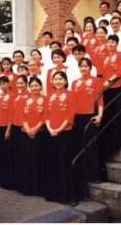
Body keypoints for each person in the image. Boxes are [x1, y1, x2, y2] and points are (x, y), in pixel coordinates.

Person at [44, 71, 79, 204]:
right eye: (55, 79)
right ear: (52, 81)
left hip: (65, 133)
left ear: (65, 81)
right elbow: (46, 115)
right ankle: (54, 195)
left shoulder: (71, 94)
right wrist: (50, 129)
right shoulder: (49, 96)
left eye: (60, 79)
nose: (58, 81)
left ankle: (67, 196)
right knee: (53, 163)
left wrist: (58, 129)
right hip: (51, 132)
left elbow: (70, 115)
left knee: (65, 164)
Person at [72, 58, 105, 185]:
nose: (83, 68)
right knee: (79, 146)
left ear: (90, 68)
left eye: (86, 66)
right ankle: (82, 176)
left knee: (91, 147)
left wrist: (100, 116)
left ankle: (93, 176)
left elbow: (100, 101)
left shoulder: (97, 81)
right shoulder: (75, 83)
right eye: (81, 66)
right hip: (77, 117)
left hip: (90, 116)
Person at [101, 35, 121, 158]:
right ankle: (112, 142)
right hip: (107, 88)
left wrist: (110, 80)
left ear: (117, 43)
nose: (110, 44)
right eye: (108, 42)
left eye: (113, 42)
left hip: (117, 86)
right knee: (109, 115)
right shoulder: (105, 57)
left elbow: (120, 71)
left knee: (119, 114)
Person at [19, 77, 47, 196]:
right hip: (26, 132)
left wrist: (35, 129)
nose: (34, 88)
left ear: (41, 87)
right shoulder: (25, 99)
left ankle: (38, 189)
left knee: (39, 160)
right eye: (32, 86)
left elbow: (46, 116)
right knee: (27, 160)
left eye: (36, 85)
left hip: (40, 133)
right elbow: (21, 116)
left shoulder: (46, 100)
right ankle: (27, 188)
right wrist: (28, 128)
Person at [3, 75, 30, 190]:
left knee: (24, 157)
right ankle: (14, 183)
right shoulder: (16, 97)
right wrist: (8, 130)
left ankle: (23, 185)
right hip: (14, 128)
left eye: (22, 83)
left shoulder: (30, 96)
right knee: (14, 156)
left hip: (24, 129)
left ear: (26, 83)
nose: (20, 85)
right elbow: (11, 115)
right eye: (18, 83)